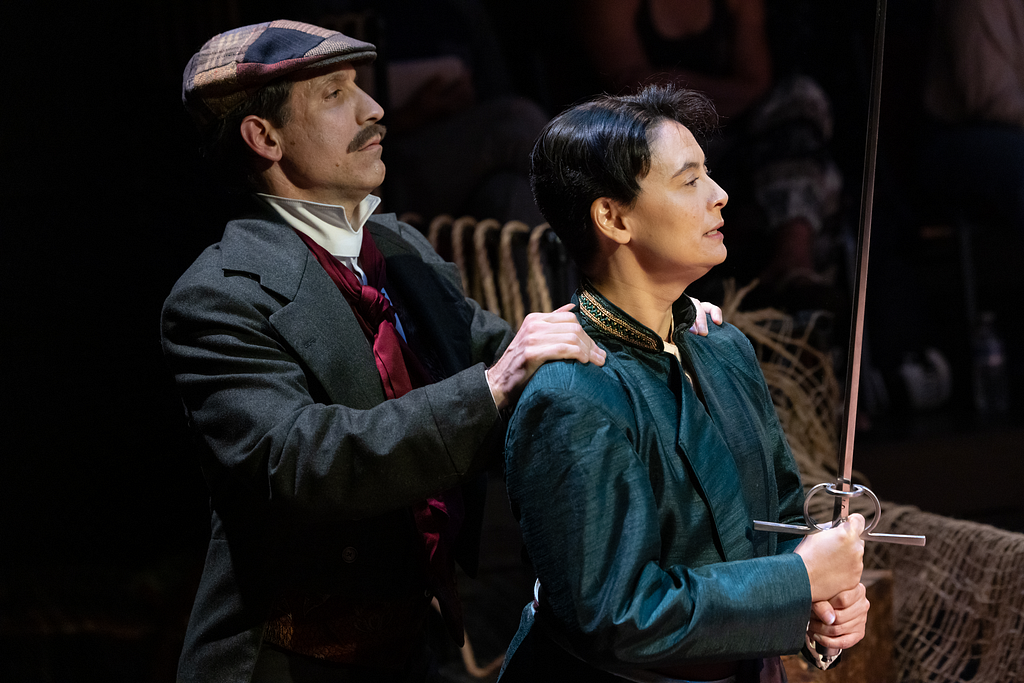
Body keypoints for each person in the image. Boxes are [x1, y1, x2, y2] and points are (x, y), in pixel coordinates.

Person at [163, 20, 719, 682]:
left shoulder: (398, 248)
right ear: (265, 137)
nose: (374, 109)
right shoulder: (219, 295)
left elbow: (514, 352)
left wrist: (643, 321)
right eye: (335, 94)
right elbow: (302, 462)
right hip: (293, 662)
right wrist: (492, 384)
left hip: (417, 646)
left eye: (360, 89)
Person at [499, 84, 869, 682]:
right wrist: (795, 583)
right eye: (690, 180)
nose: (721, 197)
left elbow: (780, 523)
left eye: (710, 175)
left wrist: (817, 609)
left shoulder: (722, 348)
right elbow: (616, 615)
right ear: (613, 217)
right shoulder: (569, 397)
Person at [577, 0, 845, 310]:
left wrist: (671, 82)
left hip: (737, 134)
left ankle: (793, 261)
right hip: (652, 146)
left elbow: (757, 85)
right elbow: (631, 94)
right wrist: (725, 93)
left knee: (799, 100)